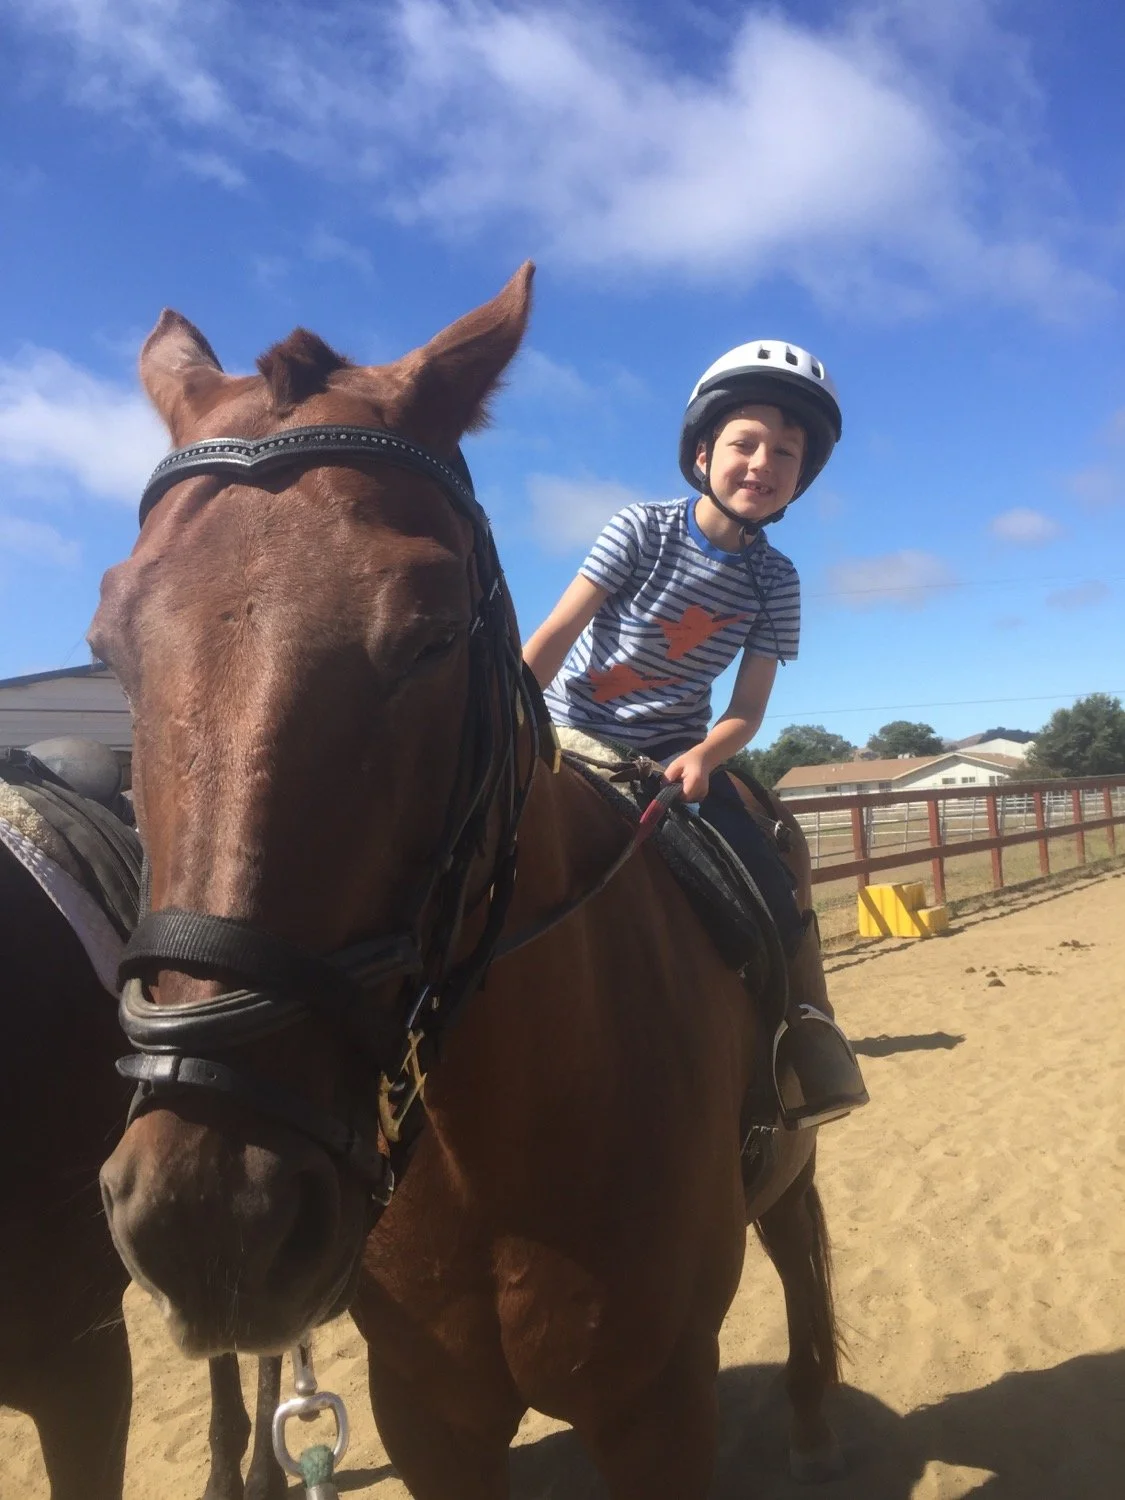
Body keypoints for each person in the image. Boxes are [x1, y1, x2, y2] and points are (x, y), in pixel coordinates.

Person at [523, 340, 868, 1128]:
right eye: (745, 443)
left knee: (772, 884)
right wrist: (506, 713)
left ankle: (803, 1037)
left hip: (672, 759)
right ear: (704, 451)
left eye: (785, 452)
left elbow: (745, 708)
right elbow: (555, 632)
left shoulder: (775, 581)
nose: (762, 463)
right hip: (571, 735)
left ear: (800, 476)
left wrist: (706, 756)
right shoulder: (639, 529)